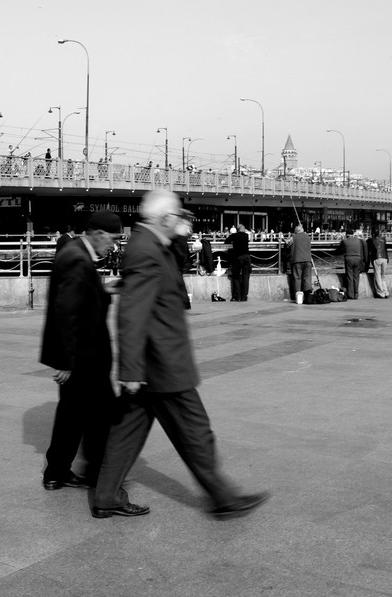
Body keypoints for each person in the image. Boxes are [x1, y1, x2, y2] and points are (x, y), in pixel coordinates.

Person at [91, 188, 269, 519]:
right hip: (162, 364)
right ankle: (224, 498)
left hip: (150, 364)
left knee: (127, 433)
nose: (180, 221)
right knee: (196, 432)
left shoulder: (149, 243)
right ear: (164, 218)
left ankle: (105, 496)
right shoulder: (145, 249)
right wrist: (130, 371)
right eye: (176, 217)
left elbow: (159, 281)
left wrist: (177, 237)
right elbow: (132, 315)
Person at [40, 210, 122, 491]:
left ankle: (56, 472)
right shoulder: (76, 258)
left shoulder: (73, 251)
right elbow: (66, 312)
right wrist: (64, 362)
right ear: (98, 234)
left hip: (79, 355)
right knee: (102, 415)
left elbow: (78, 298)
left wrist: (105, 290)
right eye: (112, 239)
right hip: (84, 356)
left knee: (71, 415)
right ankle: (100, 477)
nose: (113, 245)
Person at [336, 222, 369, 299]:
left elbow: (339, 250)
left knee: (349, 276)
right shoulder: (358, 241)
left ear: (346, 234)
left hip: (349, 259)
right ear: (353, 234)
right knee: (356, 276)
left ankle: (351, 295)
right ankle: (356, 294)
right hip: (358, 259)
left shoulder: (345, 241)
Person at [224, 223, 251, 301]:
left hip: (238, 257)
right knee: (246, 277)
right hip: (247, 256)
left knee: (236, 276)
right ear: (243, 229)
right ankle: (244, 297)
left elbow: (226, 241)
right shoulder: (246, 235)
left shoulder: (234, 235)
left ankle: (237, 296)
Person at [287, 224, 313, 301]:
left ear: (296, 231)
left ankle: (298, 297)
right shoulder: (308, 237)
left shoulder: (294, 237)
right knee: (307, 278)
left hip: (297, 260)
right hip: (308, 260)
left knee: (297, 278)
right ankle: (307, 296)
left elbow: (288, 243)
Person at [367, 228, 390, 299]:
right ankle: (386, 292)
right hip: (385, 258)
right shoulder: (383, 239)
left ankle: (381, 293)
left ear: (372, 234)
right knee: (383, 276)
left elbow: (368, 250)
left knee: (377, 275)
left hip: (377, 258)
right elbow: (385, 249)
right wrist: (387, 258)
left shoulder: (370, 240)